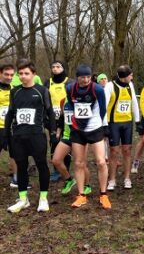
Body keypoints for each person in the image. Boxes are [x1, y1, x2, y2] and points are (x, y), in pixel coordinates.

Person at [5, 60, 56, 213]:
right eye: (20, 73)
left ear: (34, 74)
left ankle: (43, 198)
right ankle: (23, 199)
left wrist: (53, 133)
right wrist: (8, 135)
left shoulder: (42, 90)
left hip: (36, 135)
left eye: (26, 73)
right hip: (19, 136)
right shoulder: (15, 92)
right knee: (21, 167)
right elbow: (10, 114)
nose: (23, 76)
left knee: (41, 165)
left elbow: (50, 113)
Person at [67, 64, 111, 209]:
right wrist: (78, 122)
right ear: (77, 77)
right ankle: (81, 195)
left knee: (101, 162)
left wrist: (100, 124)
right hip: (77, 129)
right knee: (79, 163)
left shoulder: (97, 89)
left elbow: (103, 109)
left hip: (95, 128)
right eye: (82, 77)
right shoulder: (70, 88)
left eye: (88, 77)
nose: (85, 80)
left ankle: (103, 194)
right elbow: (72, 104)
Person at [105, 65, 140, 190]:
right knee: (114, 151)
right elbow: (104, 105)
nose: (132, 77)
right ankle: (112, 180)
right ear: (124, 76)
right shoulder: (110, 86)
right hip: (113, 123)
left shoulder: (130, 85)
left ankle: (127, 178)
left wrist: (138, 120)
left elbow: (134, 102)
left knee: (127, 150)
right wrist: (105, 124)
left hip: (127, 123)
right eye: (130, 75)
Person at [53, 96, 92, 195]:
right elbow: (62, 118)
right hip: (67, 136)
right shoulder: (63, 100)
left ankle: (87, 185)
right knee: (56, 160)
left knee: (81, 164)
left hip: (80, 137)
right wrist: (58, 132)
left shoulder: (83, 100)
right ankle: (69, 180)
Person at [45, 60, 73, 182]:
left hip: (67, 119)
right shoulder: (48, 83)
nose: (55, 69)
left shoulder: (70, 82)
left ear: (63, 68)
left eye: (58, 66)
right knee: (54, 143)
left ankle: (66, 168)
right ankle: (56, 170)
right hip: (52, 119)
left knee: (67, 144)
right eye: (53, 67)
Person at [0, 64, 17, 188]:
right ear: (0, 74)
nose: (9, 77)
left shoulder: (14, 88)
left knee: (15, 153)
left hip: (12, 127)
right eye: (6, 74)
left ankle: (16, 179)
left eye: (12, 75)